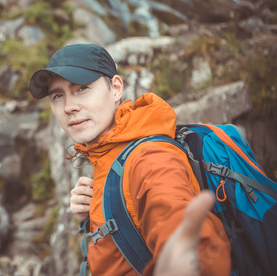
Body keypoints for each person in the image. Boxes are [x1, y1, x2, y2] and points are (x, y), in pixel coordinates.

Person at [29, 44, 230, 276]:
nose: (69, 107)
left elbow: (178, 221)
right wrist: (94, 210)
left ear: (115, 88)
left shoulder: (150, 158)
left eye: (82, 89)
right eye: (57, 95)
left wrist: (184, 259)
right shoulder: (107, 153)